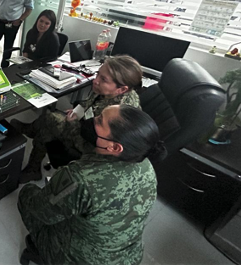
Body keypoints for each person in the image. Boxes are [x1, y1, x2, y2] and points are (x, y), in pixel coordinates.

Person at [18, 104, 167, 265]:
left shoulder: (80, 177)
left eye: (99, 121)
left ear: (115, 147)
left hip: (78, 258)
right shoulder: (145, 165)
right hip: (129, 256)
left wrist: (35, 193)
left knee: (27, 193)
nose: (92, 120)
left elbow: (42, 212)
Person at [12, 55, 143, 183]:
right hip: (86, 125)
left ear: (122, 89)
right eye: (97, 74)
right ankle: (32, 132)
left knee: (49, 119)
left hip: (92, 149)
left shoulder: (118, 116)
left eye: (103, 79)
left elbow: (94, 146)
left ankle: (33, 165)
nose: (95, 80)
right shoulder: (111, 91)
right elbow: (90, 102)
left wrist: (72, 123)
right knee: (49, 121)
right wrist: (78, 111)